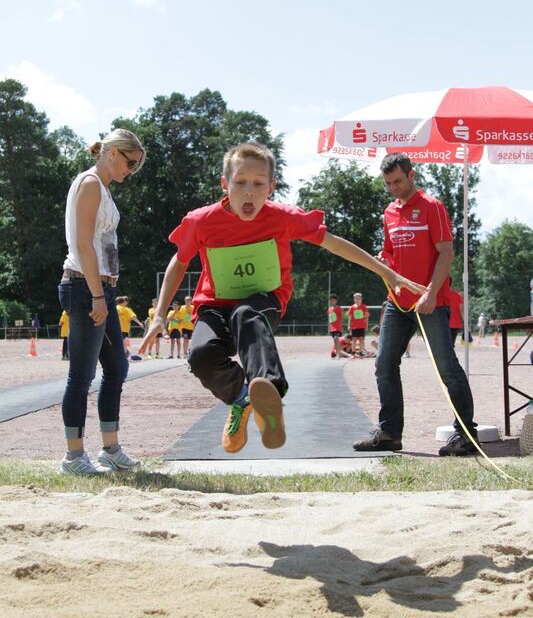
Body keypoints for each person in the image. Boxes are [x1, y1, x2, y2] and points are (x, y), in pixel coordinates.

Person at [140, 142, 426, 455]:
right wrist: (158, 315)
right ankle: (242, 398)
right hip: (214, 305)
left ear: (271, 187)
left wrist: (386, 273)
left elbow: (333, 243)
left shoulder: (282, 217)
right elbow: (179, 262)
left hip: (264, 302)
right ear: (224, 184)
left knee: (246, 314)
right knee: (200, 354)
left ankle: (269, 392)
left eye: (258, 184)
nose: (249, 192)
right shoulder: (201, 221)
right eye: (240, 183)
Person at [353, 153, 478, 457]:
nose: (393, 187)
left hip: (431, 302)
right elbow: (389, 252)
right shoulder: (389, 213)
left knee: (447, 367)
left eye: (397, 181)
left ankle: (467, 436)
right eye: (388, 183)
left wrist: (432, 293)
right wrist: (384, 262)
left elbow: (446, 253)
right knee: (384, 364)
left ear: (412, 174)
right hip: (397, 302)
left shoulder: (432, 207)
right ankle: (390, 434)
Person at [58, 128, 145, 476]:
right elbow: (82, 244)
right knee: (81, 375)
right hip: (83, 287)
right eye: (130, 162)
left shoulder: (103, 187)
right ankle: (73, 457)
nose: (132, 170)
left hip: (99, 289)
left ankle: (110, 449)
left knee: (117, 368)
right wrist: (97, 295)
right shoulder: (91, 183)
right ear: (113, 153)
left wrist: (105, 292)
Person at [328, 294, 344, 359]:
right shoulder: (329, 309)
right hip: (332, 328)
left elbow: (342, 315)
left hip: (338, 327)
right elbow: (330, 319)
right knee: (335, 341)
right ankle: (338, 353)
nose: (332, 302)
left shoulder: (339, 308)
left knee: (336, 338)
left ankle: (339, 354)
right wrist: (329, 327)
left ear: (336, 301)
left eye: (333, 300)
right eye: (331, 300)